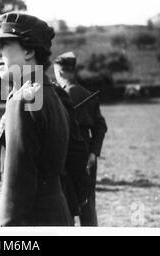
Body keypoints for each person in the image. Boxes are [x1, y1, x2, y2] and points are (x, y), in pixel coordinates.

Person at [0, 12, 72, 226]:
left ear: (30, 51)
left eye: (3, 44)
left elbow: (17, 188)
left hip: (26, 223)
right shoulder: (50, 93)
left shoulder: (24, 100)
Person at [54, 51, 108, 226]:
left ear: (60, 72)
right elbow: (100, 126)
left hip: (65, 152)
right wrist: (93, 153)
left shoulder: (57, 96)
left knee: (65, 200)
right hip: (86, 153)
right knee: (87, 201)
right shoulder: (87, 93)